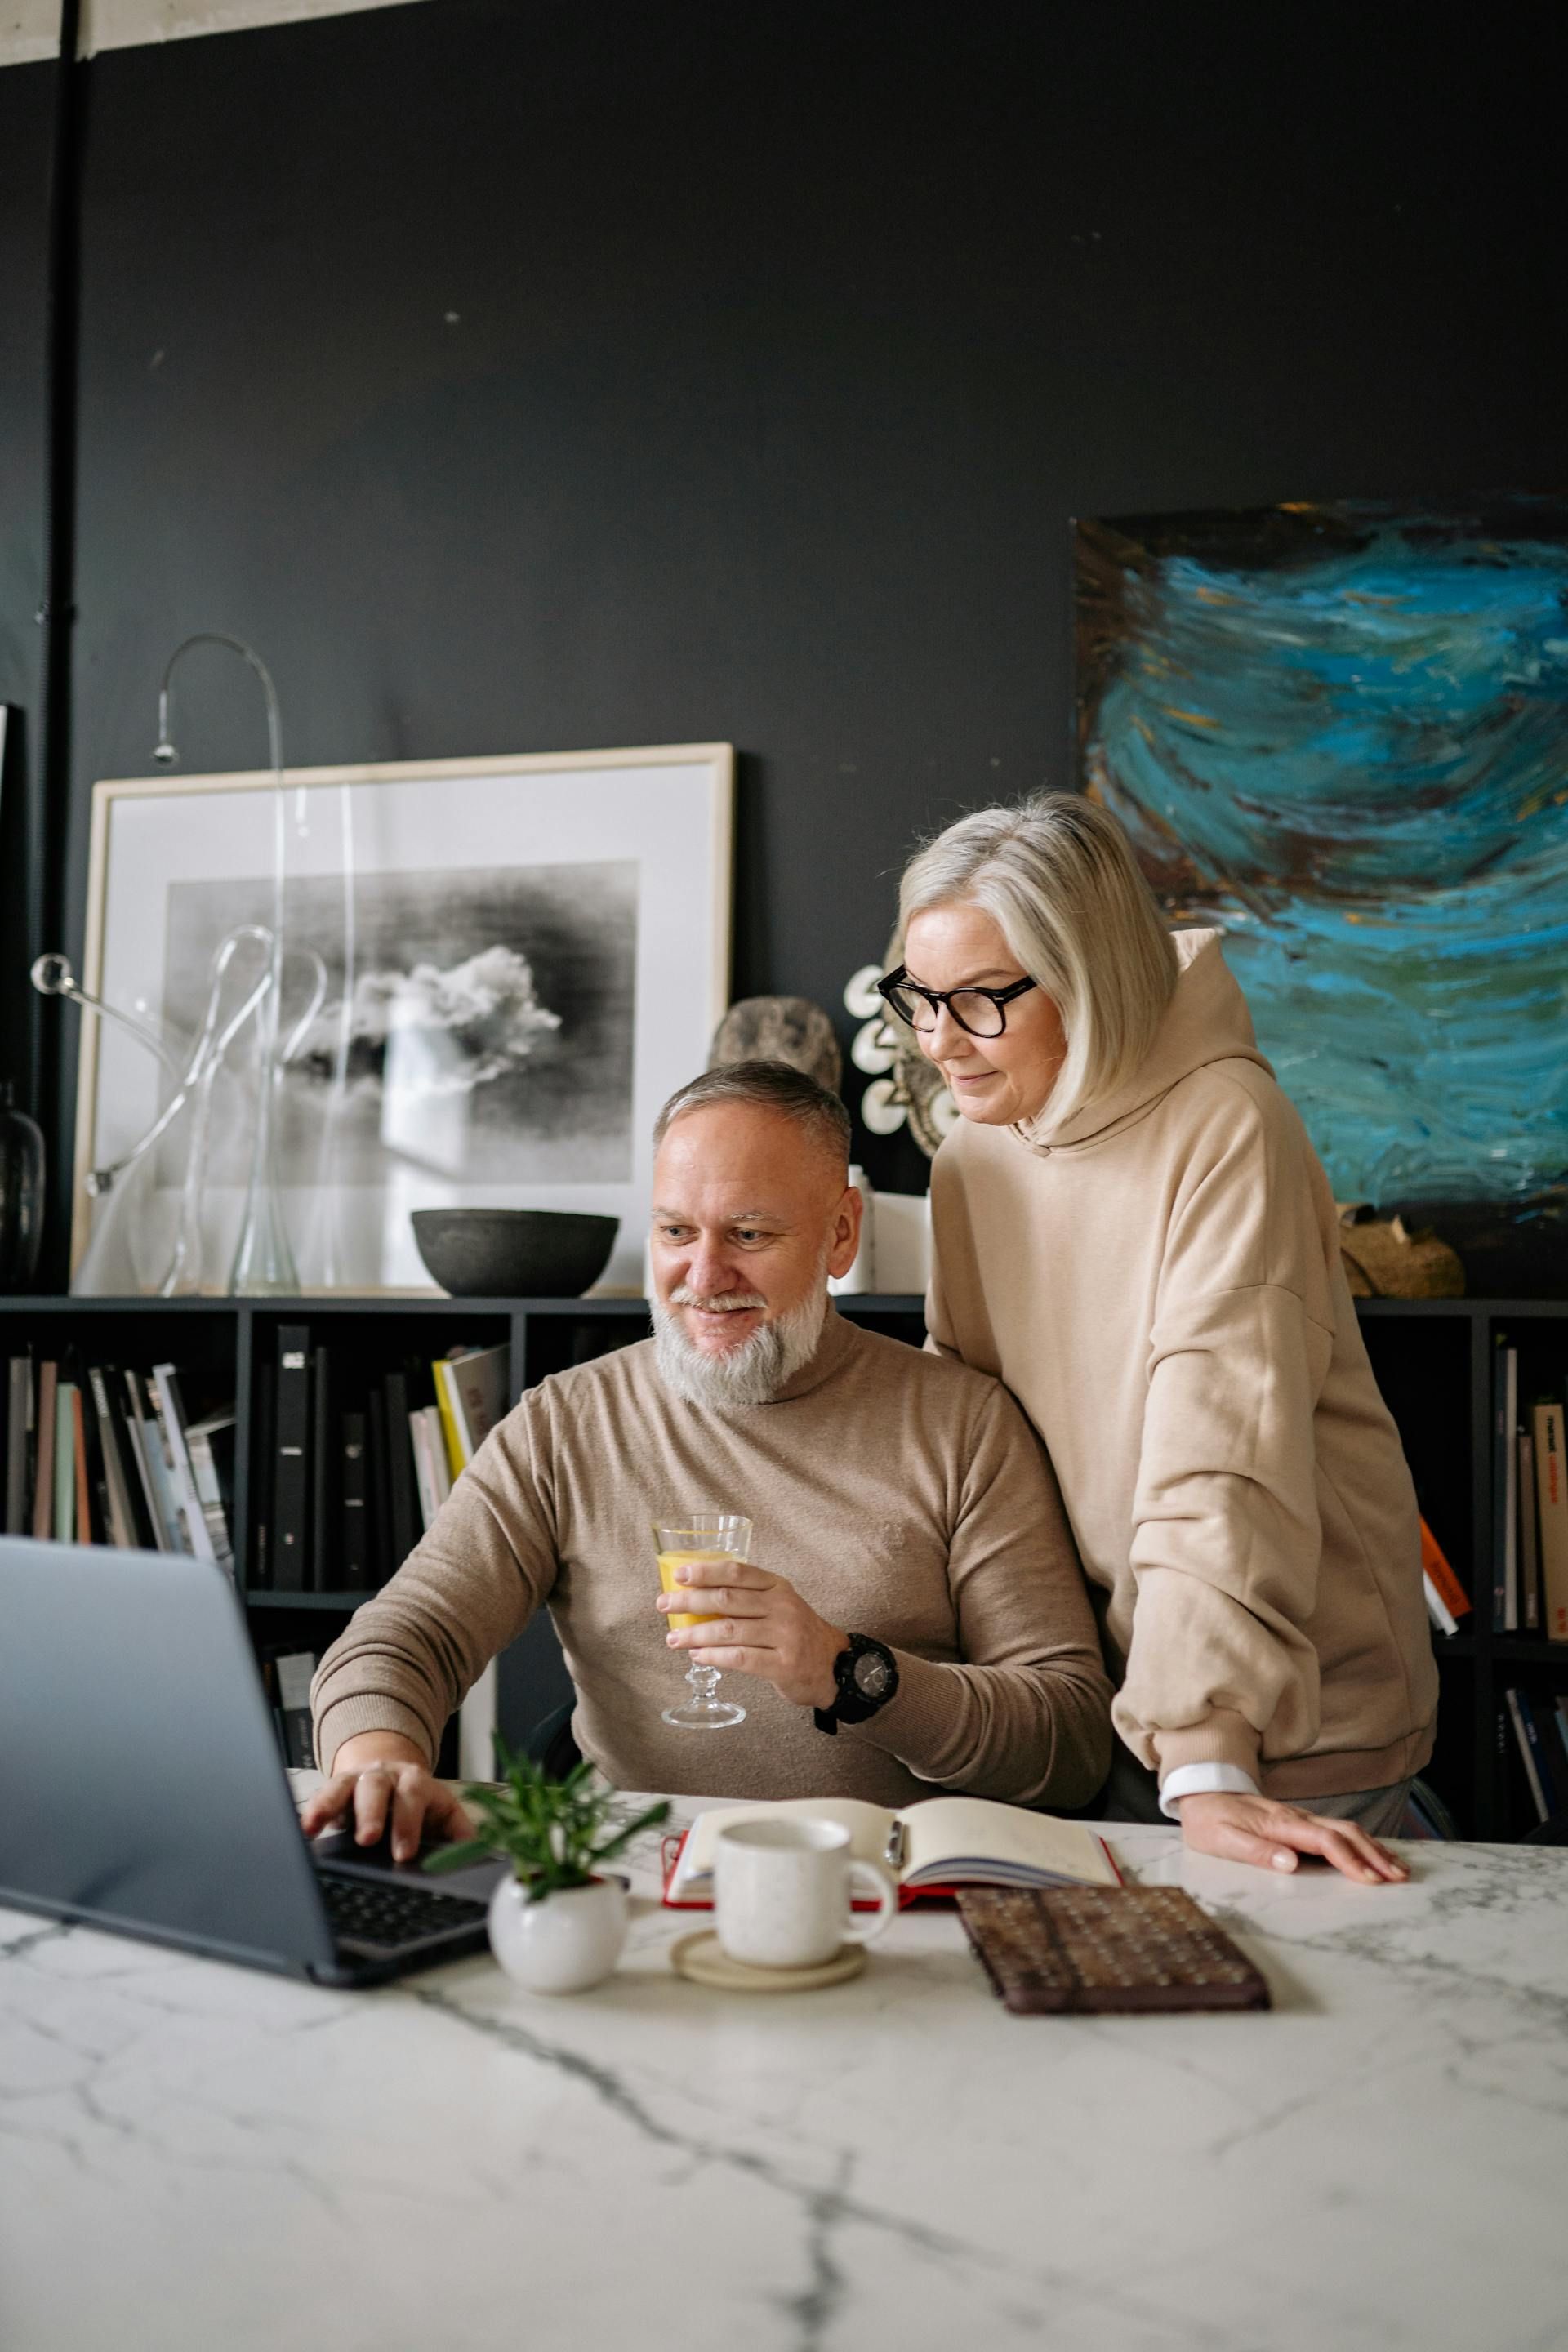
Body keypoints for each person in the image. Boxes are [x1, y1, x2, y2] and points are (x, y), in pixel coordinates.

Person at [303, 1061, 1112, 1859]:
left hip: (888, 1895)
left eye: (750, 1234)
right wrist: (378, 1763)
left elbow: (1068, 1741)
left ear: (840, 1233)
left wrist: (846, 1673)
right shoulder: (567, 1422)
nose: (704, 1275)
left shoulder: (961, 1425)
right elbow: (410, 1632)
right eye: (676, 1231)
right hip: (632, 1880)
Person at [887, 793, 1438, 1886]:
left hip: (1284, 1721)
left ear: (1088, 982)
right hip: (1109, 1695)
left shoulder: (1226, 1123)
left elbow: (1220, 1448)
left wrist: (1204, 1757)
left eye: (982, 1000)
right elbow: (974, 1429)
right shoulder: (973, 1154)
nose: (939, 1040)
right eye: (918, 994)